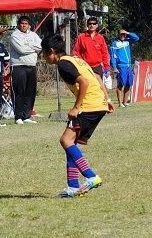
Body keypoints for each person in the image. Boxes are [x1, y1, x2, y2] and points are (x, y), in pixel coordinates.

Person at [41, 34, 114, 198]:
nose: (44, 58)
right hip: (98, 104)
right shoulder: (76, 59)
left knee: (65, 140)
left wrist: (76, 107)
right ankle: (73, 187)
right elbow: (95, 76)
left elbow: (84, 82)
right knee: (70, 143)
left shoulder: (63, 65)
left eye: (44, 54)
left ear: (52, 51)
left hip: (88, 106)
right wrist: (107, 98)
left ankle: (91, 176)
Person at [9, 16, 42, 124]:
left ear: (29, 25)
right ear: (19, 24)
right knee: (19, 91)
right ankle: (18, 116)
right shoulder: (15, 35)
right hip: (19, 66)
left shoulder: (33, 35)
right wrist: (33, 48)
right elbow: (21, 49)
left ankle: (26, 115)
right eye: (22, 23)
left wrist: (29, 45)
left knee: (30, 92)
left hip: (31, 66)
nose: (24, 25)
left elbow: (41, 46)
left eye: (26, 23)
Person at [110, 29, 140, 107]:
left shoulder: (128, 41)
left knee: (128, 84)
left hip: (128, 66)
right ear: (118, 35)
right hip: (121, 67)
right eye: (121, 34)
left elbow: (136, 38)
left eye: (124, 34)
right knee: (120, 85)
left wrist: (128, 33)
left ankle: (125, 102)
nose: (123, 36)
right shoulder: (115, 43)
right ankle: (120, 103)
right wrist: (114, 67)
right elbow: (113, 56)